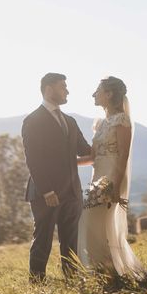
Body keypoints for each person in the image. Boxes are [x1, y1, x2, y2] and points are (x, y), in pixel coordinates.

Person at [22, 73, 92, 283]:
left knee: (70, 240)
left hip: (71, 191)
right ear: (49, 89)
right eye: (63, 87)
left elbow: (85, 150)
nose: (67, 91)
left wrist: (109, 144)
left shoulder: (70, 121)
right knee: (42, 240)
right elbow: (33, 159)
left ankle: (73, 281)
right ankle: (36, 284)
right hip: (46, 192)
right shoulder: (32, 120)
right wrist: (47, 191)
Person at [77, 76, 146, 277]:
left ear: (109, 94)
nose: (93, 94)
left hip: (110, 178)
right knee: (92, 223)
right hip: (97, 176)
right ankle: (104, 270)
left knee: (92, 221)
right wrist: (67, 163)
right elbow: (92, 157)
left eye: (97, 90)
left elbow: (123, 155)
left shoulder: (122, 120)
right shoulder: (101, 124)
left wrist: (115, 186)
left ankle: (107, 270)